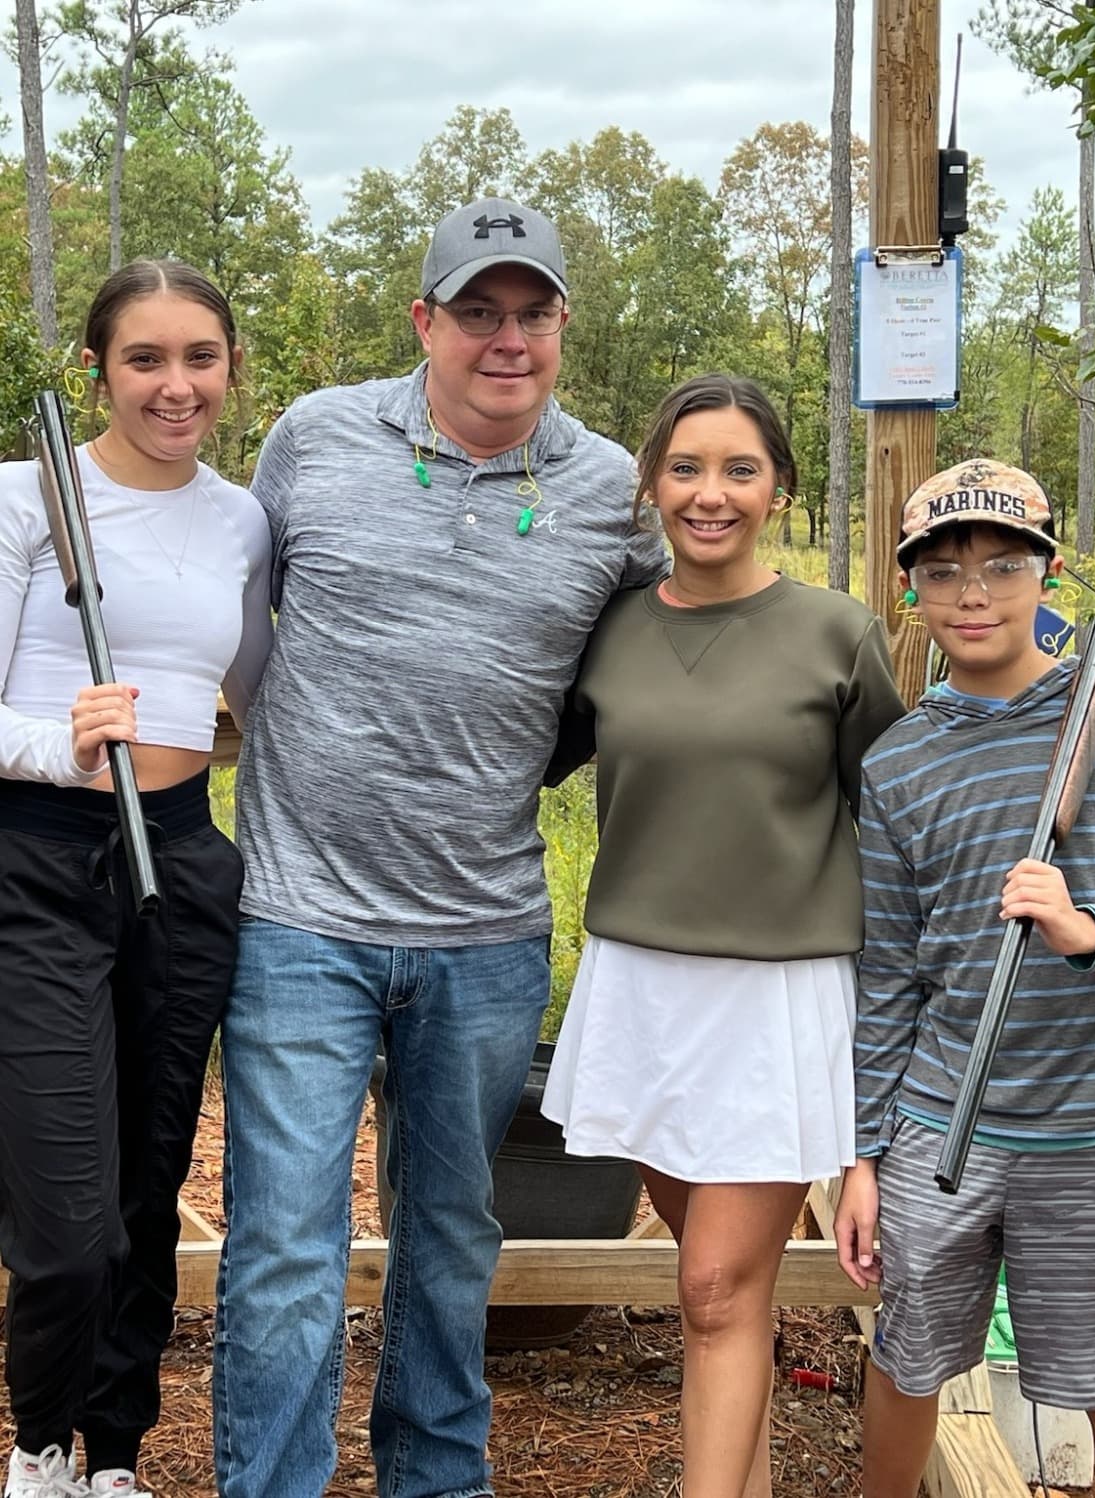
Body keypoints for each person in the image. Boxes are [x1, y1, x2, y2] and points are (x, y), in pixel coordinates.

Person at [212, 197, 668, 1498]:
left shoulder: (604, 494)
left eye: (531, 312)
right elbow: (233, 610)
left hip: (484, 930)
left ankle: (434, 1477)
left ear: (563, 325)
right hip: (299, 919)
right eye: (477, 310)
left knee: (451, 1241)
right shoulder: (314, 439)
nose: (505, 337)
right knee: (285, 1246)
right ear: (425, 319)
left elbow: (629, 679)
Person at [540, 373, 905, 1498]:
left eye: (740, 468)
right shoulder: (608, 632)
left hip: (776, 995)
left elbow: (891, 822)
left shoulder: (839, 634)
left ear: (780, 488)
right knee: (723, 1295)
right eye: (686, 468)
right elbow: (509, 754)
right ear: (650, 484)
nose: (711, 493)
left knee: (709, 1289)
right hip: (642, 987)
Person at [0, 260, 272, 1498]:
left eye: (200, 358)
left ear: (229, 366)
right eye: (146, 359)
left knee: (150, 1183)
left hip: (182, 858)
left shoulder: (240, 520)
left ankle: (111, 1454)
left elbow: (268, 691)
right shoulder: (26, 500)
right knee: (67, 1219)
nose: (177, 385)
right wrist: (61, 740)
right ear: (99, 371)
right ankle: (40, 1443)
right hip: (39, 864)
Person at [833, 459, 1095, 1498]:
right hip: (939, 1126)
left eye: (1004, 563)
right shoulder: (901, 762)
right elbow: (890, 973)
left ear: (1048, 571)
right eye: (942, 570)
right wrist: (864, 1154)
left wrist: (1091, 930)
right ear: (910, 590)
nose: (973, 592)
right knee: (908, 1353)